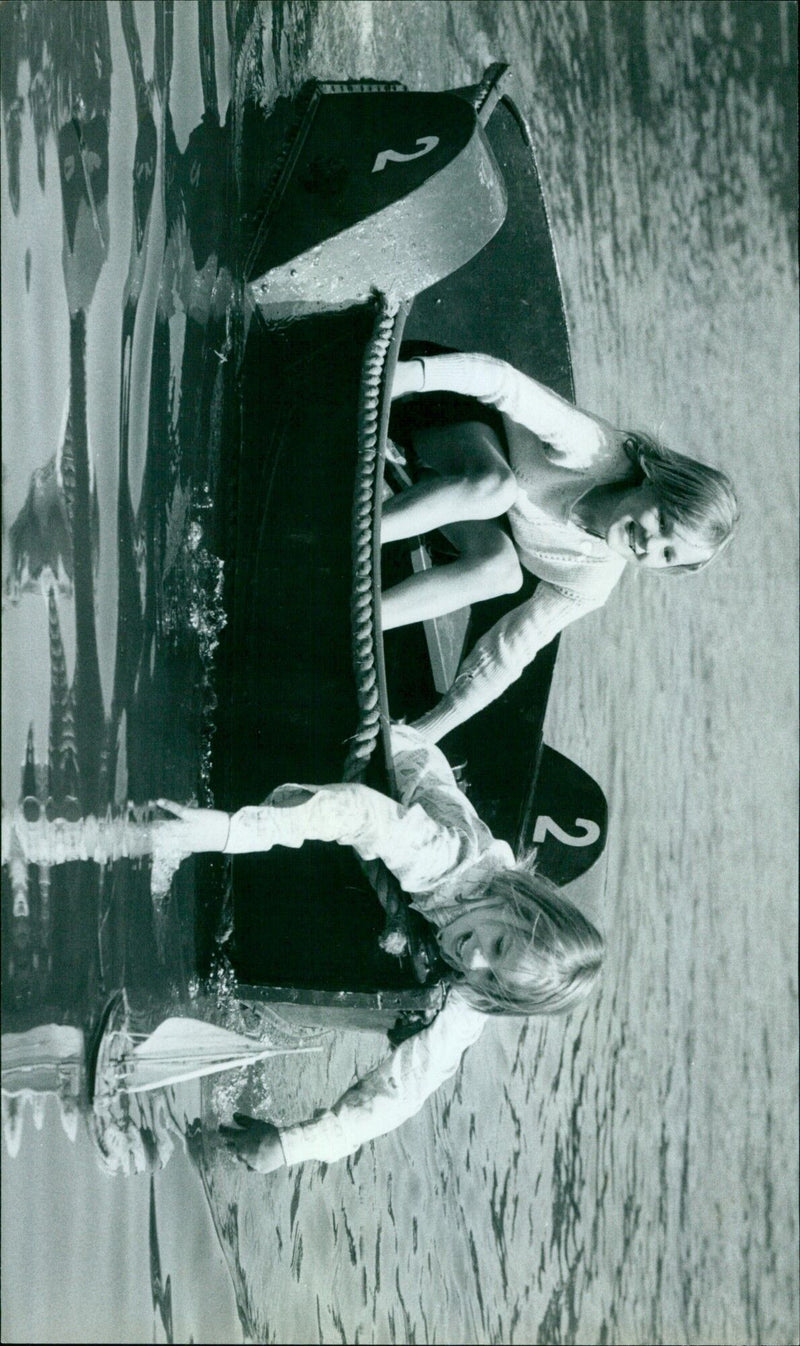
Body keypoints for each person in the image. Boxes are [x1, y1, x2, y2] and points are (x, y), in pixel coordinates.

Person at [154, 723, 603, 1171]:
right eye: (499, 945)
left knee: (430, 999)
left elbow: (402, 1093)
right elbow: (361, 815)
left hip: (415, 868)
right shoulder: (449, 862)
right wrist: (231, 833)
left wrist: (293, 1146)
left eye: (491, 977)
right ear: (514, 901)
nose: (474, 959)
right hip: (392, 757)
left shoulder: (477, 991)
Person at [381, 352, 739, 741]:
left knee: (501, 573)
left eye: (667, 554)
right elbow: (503, 381)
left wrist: (425, 734)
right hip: (440, 405)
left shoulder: (590, 581)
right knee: (499, 489)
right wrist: (409, 375)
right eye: (664, 521)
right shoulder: (596, 452)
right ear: (653, 482)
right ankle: (358, 533)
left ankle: (366, 616)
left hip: (447, 484)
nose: (650, 544)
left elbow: (509, 652)